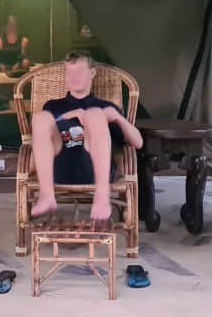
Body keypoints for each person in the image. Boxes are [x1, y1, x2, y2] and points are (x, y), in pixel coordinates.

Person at [29, 51, 143, 221]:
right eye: (69, 72)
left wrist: (117, 118)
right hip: (57, 169)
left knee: (95, 114)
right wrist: (67, 116)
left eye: (80, 71)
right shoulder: (53, 105)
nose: (74, 77)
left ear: (92, 73)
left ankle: (102, 195)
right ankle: (46, 195)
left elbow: (138, 142)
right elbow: (40, 141)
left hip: (95, 171)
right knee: (40, 117)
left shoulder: (105, 106)